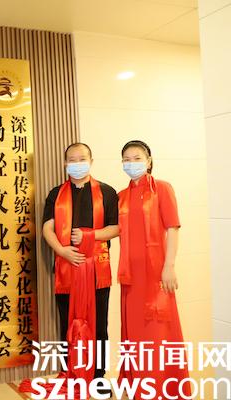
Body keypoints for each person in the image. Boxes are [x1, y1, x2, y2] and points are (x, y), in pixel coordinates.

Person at [117, 140, 189, 398]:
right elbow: (115, 230)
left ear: (148, 161)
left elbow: (173, 228)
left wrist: (169, 266)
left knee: (159, 336)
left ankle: (163, 390)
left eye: (137, 158)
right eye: (126, 159)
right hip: (130, 279)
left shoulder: (162, 188)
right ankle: (139, 389)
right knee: (136, 338)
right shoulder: (121, 197)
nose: (131, 163)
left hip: (157, 275)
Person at [41, 143, 119, 381]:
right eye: (72, 160)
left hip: (96, 270)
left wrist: (90, 235)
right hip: (67, 267)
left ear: (91, 161)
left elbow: (115, 228)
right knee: (68, 322)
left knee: (99, 325)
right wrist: (62, 251)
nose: (77, 164)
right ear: (65, 163)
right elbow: (47, 228)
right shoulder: (56, 194)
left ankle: (98, 375)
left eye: (82, 159)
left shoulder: (107, 192)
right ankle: (71, 372)